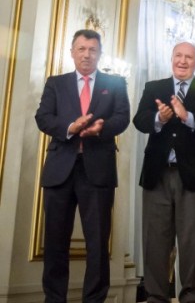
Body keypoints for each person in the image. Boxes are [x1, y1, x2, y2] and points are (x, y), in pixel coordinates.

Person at [34, 29, 130, 303]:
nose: (87, 54)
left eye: (92, 50)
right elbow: (43, 117)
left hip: (97, 171)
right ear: (72, 52)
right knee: (55, 244)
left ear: (100, 53)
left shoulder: (115, 82)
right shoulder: (56, 83)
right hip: (60, 170)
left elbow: (122, 117)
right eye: (81, 49)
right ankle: (54, 299)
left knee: (98, 244)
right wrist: (68, 127)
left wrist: (101, 128)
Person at [132, 42, 195, 303]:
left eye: (189, 57)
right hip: (157, 175)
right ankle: (156, 297)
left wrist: (188, 116)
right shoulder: (154, 87)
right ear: (171, 58)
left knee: (193, 243)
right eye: (178, 56)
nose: (183, 61)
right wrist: (159, 119)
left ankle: (191, 298)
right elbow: (139, 120)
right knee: (155, 242)